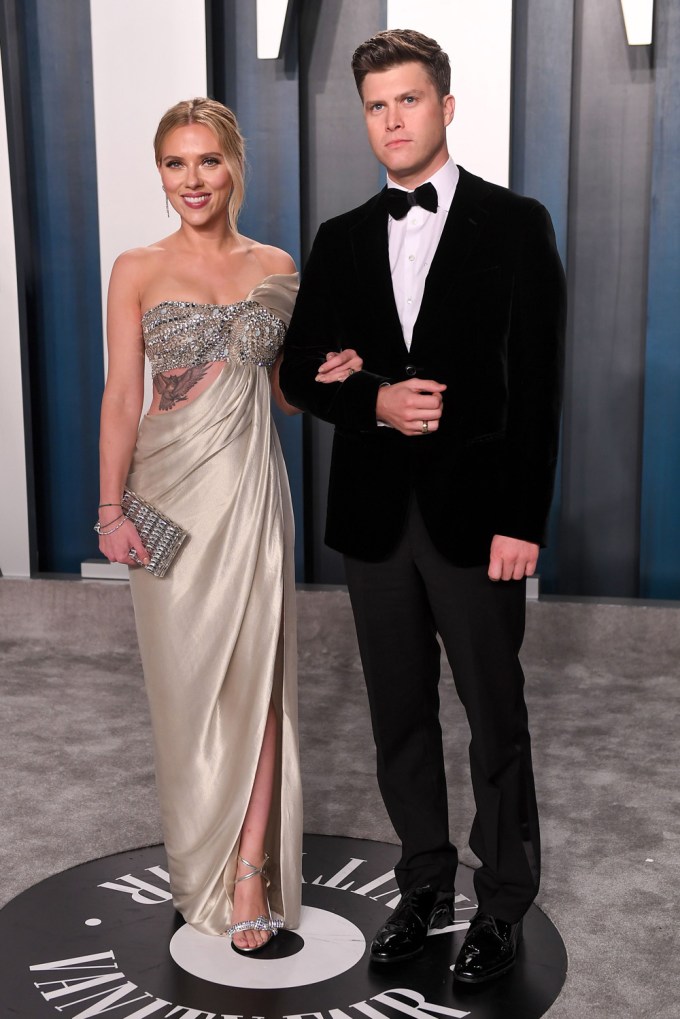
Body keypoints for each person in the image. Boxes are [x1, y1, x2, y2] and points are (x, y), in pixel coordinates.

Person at [280, 30, 566, 983]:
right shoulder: (341, 238)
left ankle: (504, 900)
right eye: (375, 105)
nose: (392, 120)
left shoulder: (517, 223)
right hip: (373, 522)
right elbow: (297, 373)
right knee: (398, 714)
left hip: (479, 518)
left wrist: (523, 520)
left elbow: (537, 386)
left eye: (408, 100)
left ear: (446, 106)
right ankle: (424, 882)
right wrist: (371, 399)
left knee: (495, 715)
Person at [97, 98, 361, 953]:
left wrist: (337, 371)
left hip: (248, 491)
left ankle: (249, 867)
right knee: (183, 695)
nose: (192, 180)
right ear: (161, 173)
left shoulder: (278, 265)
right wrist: (109, 509)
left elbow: (284, 390)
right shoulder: (135, 267)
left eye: (207, 161)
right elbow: (121, 396)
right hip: (164, 501)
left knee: (260, 682)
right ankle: (195, 857)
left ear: (235, 164)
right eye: (176, 164)